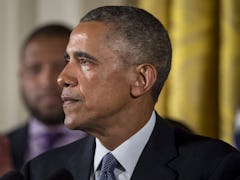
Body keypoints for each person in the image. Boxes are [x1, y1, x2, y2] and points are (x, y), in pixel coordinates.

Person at [22, 6, 240, 180]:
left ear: (141, 80)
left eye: (85, 61)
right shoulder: (42, 172)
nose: (62, 78)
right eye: (68, 60)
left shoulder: (215, 168)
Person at [1, 24, 87, 173]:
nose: (47, 82)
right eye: (35, 69)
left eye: (61, 67)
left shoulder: (109, 147)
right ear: (21, 76)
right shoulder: (4, 148)